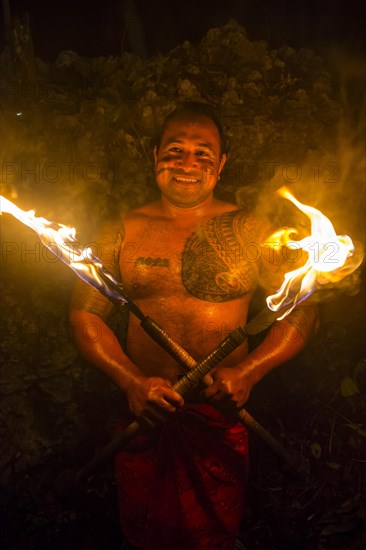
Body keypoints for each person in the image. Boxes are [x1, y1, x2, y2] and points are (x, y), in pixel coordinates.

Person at [70, 102, 317, 550]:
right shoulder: (119, 230)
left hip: (218, 416)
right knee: (143, 535)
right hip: (143, 413)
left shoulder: (253, 230)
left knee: (214, 538)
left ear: (222, 164)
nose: (188, 164)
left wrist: (249, 372)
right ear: (154, 155)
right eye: (175, 150)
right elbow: (85, 313)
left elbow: (303, 309)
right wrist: (129, 382)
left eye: (203, 153)